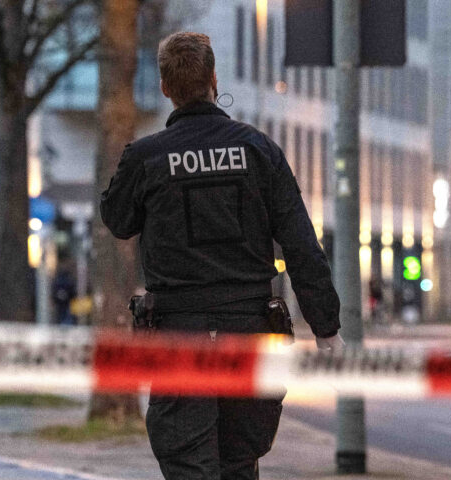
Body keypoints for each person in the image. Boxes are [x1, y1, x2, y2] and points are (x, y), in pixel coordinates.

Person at [100, 31, 344, 480]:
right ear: (214, 78)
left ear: (165, 88)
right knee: (239, 461)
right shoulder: (258, 150)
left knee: (189, 464)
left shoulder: (147, 157)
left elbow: (117, 220)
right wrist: (326, 329)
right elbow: (301, 246)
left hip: (178, 336)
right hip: (251, 332)